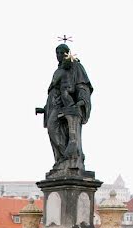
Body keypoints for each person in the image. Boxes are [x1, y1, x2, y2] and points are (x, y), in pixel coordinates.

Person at [36, 43, 93, 173]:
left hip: (67, 105)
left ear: (67, 53)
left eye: (62, 53)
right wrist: (44, 109)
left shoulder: (76, 67)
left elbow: (83, 85)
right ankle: (61, 158)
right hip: (53, 105)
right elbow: (53, 91)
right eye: (57, 53)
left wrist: (82, 101)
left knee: (56, 129)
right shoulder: (58, 70)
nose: (59, 56)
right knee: (53, 130)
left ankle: (69, 158)